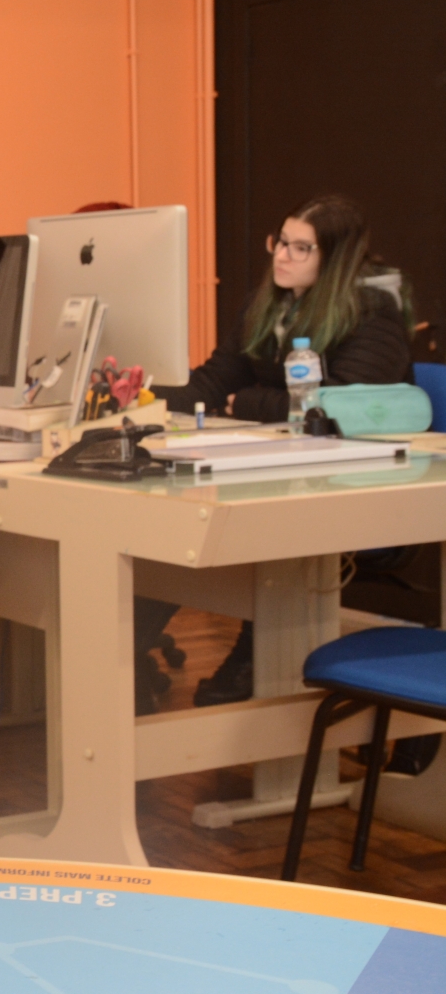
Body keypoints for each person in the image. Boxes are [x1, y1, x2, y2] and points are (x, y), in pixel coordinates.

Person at [147, 194, 414, 707]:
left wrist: (248, 403)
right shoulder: (269, 304)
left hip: (359, 482)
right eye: (280, 242)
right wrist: (138, 397)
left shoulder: (374, 311)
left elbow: (336, 407)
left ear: (334, 259)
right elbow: (213, 382)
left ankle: (256, 657)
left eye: (300, 247)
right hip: (283, 467)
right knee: (167, 527)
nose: (282, 256)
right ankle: (123, 657)